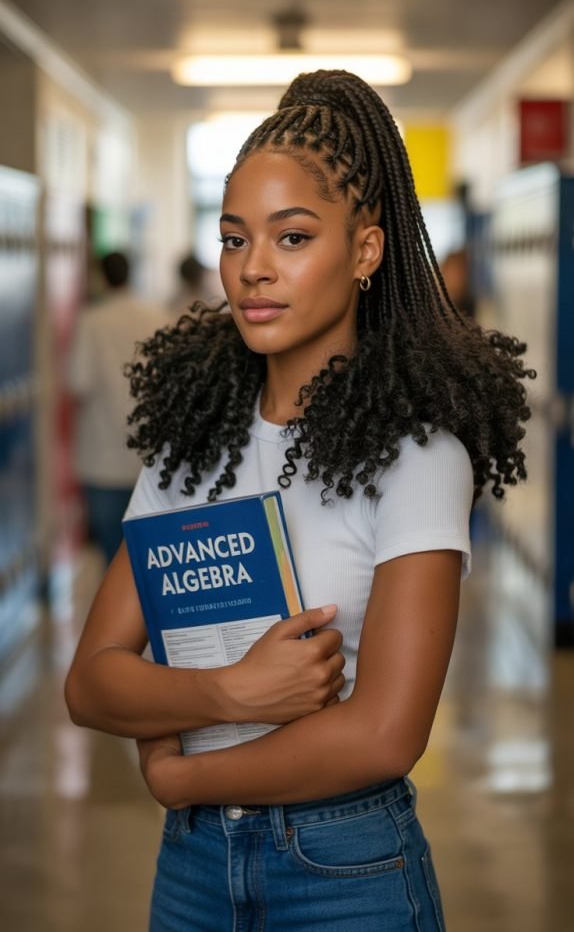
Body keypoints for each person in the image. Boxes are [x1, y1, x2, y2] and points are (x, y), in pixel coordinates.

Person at [65, 71, 535, 931]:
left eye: (292, 237)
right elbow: (92, 684)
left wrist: (181, 773)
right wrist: (234, 694)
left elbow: (386, 734)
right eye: (234, 238)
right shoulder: (191, 449)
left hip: (347, 870)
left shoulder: (418, 459)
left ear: (364, 251)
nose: (253, 270)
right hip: (193, 873)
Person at [67, 250, 168, 565]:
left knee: (114, 558)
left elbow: (78, 382)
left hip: (104, 460)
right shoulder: (159, 317)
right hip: (153, 458)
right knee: (152, 554)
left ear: (101, 277)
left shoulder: (92, 321)